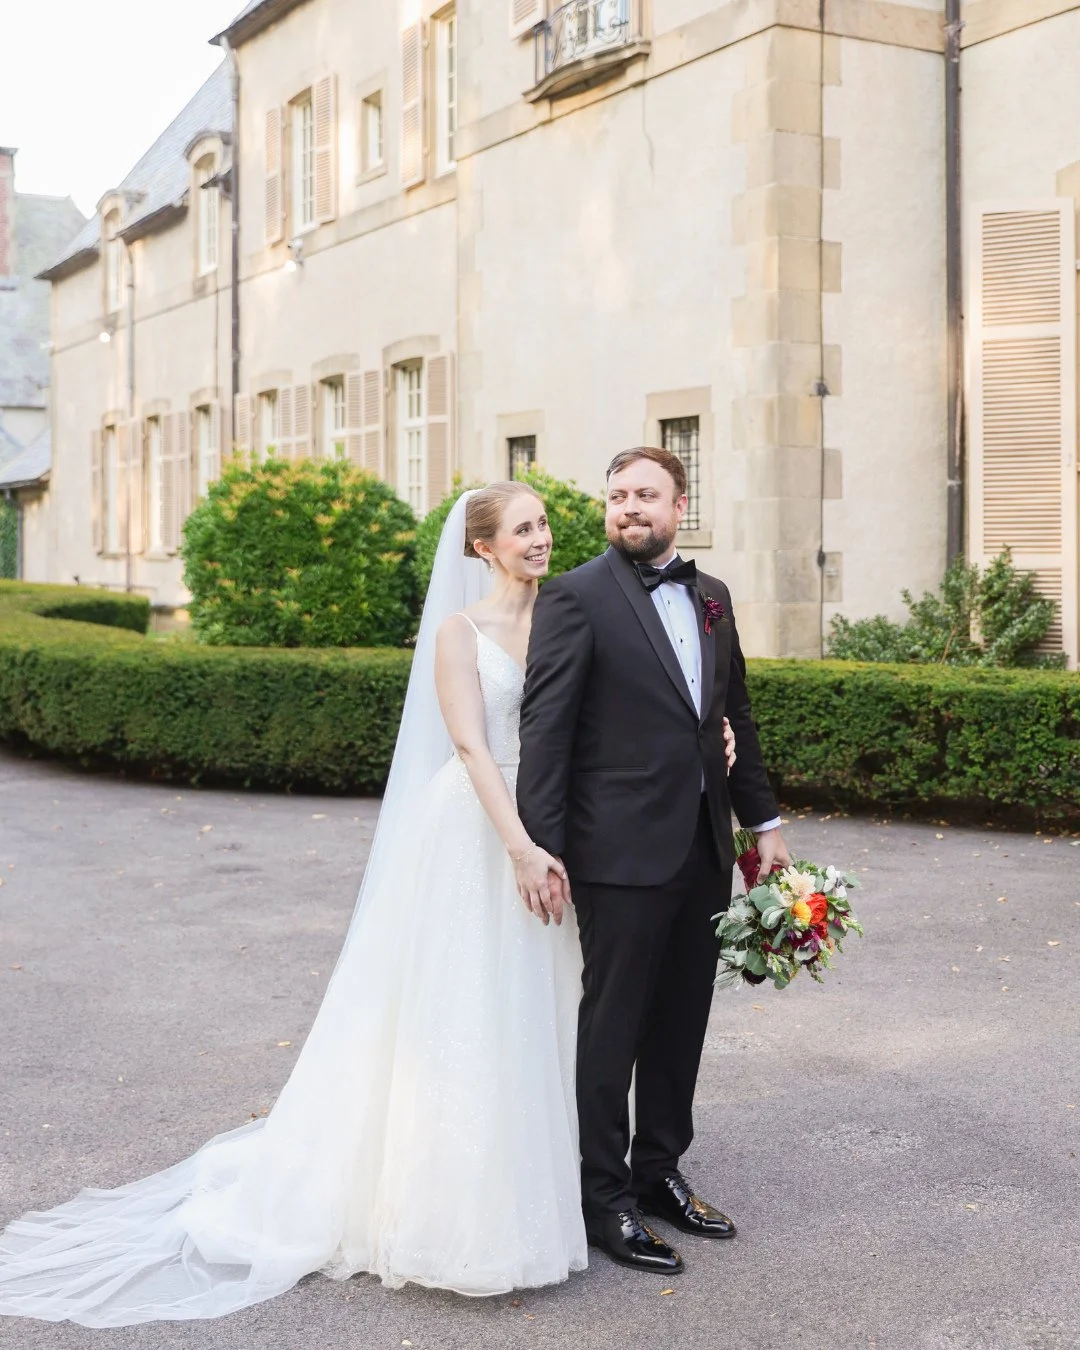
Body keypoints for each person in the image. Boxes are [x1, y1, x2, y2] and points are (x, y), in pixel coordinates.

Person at [1, 484, 738, 1326]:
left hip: (571, 836)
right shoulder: (462, 635)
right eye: (522, 528)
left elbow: (637, 711)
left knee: (555, 1010)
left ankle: (572, 1176)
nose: (540, 539)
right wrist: (524, 848)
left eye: (544, 525)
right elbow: (471, 745)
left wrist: (705, 733)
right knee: (472, 1012)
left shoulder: (582, 607)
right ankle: (463, 1196)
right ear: (481, 549)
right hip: (484, 835)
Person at [517, 447, 790, 1275]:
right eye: (616, 496)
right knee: (614, 1026)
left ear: (680, 505)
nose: (628, 507)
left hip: (703, 846)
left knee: (680, 1023)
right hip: (615, 854)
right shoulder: (573, 597)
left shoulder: (712, 597)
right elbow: (546, 735)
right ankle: (605, 1200)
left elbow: (730, 710)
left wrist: (764, 824)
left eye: (645, 495)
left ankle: (660, 1169)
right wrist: (541, 847)